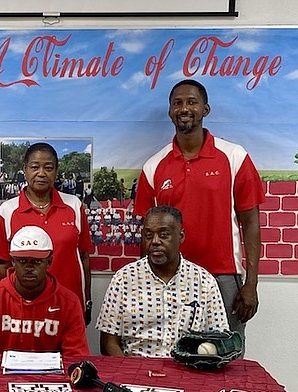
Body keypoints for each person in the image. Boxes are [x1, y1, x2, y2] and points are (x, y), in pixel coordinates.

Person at [134, 79, 265, 336]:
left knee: (225, 359)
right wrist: (145, 283)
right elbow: (146, 234)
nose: (184, 108)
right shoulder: (154, 166)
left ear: (205, 109)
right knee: (172, 356)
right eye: (177, 103)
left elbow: (251, 223)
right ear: (170, 111)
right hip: (169, 278)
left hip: (223, 277)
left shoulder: (234, 157)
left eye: (192, 102)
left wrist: (251, 284)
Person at [97, 206, 229, 357]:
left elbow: (220, 340)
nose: (155, 242)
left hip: (188, 373)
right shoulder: (123, 279)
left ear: (181, 236)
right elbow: (108, 343)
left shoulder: (204, 282)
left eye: (164, 235)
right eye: (148, 235)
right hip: (135, 372)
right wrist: (129, 371)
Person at [0, 142, 93, 324]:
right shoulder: (6, 211)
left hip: (68, 306)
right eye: (34, 167)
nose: (41, 173)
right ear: (25, 169)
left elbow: (84, 258)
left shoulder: (74, 205)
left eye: (48, 167)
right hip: (22, 311)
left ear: (56, 171)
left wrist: (86, 300)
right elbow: (3, 268)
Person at [0, 226, 89, 356]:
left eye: (37, 261)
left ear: (49, 262)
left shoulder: (69, 303)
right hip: (0, 374)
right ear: (13, 262)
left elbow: (75, 358)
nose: (29, 268)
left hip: (53, 375)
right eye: (23, 261)